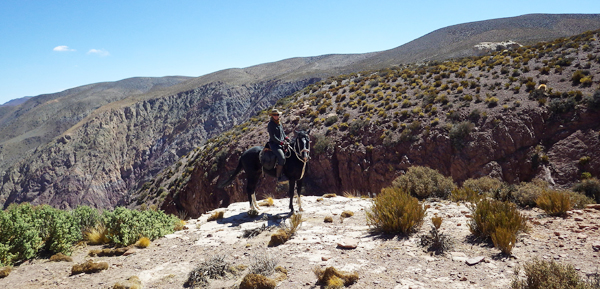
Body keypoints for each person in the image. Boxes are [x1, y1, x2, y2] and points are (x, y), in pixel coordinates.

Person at [268, 108, 289, 181]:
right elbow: (273, 136)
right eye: (274, 115)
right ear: (272, 116)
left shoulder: (279, 122)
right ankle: (278, 176)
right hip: (274, 144)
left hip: (281, 143)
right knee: (282, 157)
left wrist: (286, 137)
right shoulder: (271, 124)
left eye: (277, 115)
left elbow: (282, 132)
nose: (276, 116)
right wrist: (280, 142)